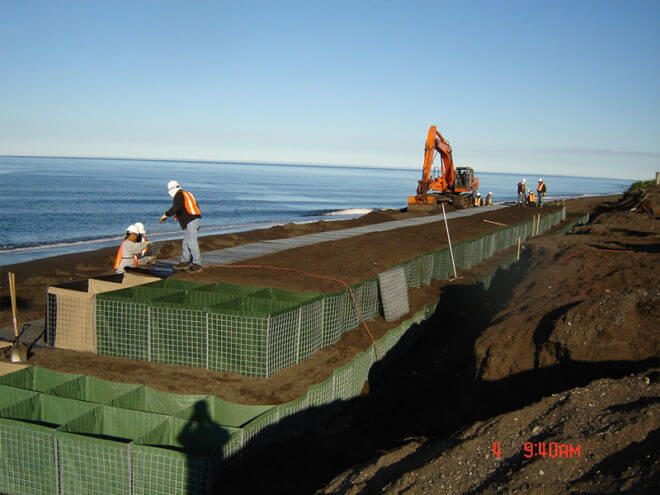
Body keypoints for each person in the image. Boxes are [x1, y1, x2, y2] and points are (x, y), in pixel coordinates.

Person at [159, 180, 202, 272]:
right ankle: (185, 262)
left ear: (171, 189)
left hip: (191, 220)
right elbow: (195, 206)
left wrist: (166, 215)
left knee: (191, 242)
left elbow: (176, 207)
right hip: (194, 219)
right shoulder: (188, 194)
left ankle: (197, 264)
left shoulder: (179, 195)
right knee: (185, 242)